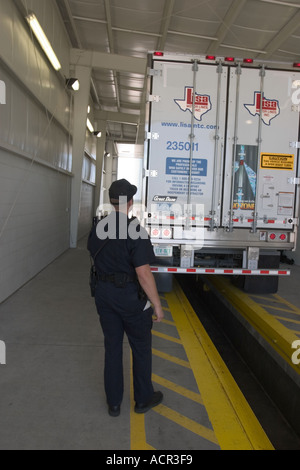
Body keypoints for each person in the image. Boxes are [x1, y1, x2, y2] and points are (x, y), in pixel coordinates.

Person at [87, 179, 164, 417]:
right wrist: (157, 306)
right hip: (131, 298)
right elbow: (143, 273)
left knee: (112, 347)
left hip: (104, 295)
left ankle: (114, 403)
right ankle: (142, 399)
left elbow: (94, 256)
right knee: (140, 348)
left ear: (111, 202)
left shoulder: (98, 227)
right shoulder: (135, 230)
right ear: (130, 202)